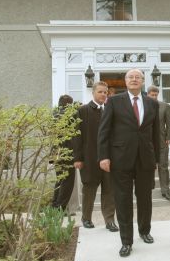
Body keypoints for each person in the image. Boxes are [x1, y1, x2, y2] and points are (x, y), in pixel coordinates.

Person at [98, 69, 160, 258]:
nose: (134, 80)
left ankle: (144, 230)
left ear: (142, 81)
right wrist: (104, 156)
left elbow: (155, 133)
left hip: (145, 159)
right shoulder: (114, 101)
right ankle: (126, 241)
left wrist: (156, 159)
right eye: (130, 77)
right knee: (123, 200)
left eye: (137, 77)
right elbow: (104, 130)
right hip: (120, 158)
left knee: (145, 198)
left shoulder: (151, 103)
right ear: (125, 82)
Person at [73, 81, 119, 232]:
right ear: (93, 93)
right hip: (89, 159)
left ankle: (110, 220)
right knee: (89, 190)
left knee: (109, 190)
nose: (103, 95)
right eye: (100, 92)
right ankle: (86, 218)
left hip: (109, 159)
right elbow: (76, 136)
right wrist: (78, 158)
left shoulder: (112, 110)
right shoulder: (83, 110)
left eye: (105, 92)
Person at [147, 85, 170, 201]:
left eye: (155, 95)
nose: (154, 97)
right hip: (147, 143)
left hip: (162, 141)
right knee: (148, 167)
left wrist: (169, 136)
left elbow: (169, 124)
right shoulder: (143, 106)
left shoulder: (164, 106)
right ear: (148, 94)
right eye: (152, 95)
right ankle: (148, 189)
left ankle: (166, 190)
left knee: (163, 166)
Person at [51, 94, 77, 212]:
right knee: (67, 181)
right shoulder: (70, 115)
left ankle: (55, 206)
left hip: (56, 152)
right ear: (69, 104)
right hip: (67, 152)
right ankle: (60, 208)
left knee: (60, 179)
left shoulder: (54, 115)